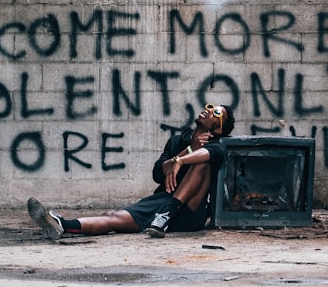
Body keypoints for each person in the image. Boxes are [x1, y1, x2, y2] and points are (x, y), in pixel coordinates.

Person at [28, 102, 236, 240]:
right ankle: (61, 225)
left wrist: (181, 160)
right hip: (161, 200)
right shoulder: (176, 141)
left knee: (202, 163)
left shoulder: (218, 144)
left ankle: (166, 215)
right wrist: (185, 150)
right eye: (210, 106)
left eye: (216, 112)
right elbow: (158, 173)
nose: (208, 110)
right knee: (113, 216)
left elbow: (210, 155)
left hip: (190, 211)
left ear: (217, 128)